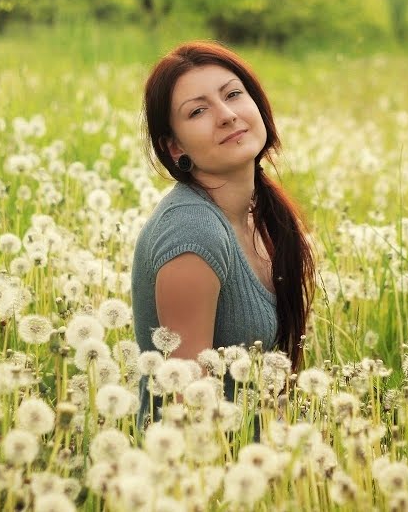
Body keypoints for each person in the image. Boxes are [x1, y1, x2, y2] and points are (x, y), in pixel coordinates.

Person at [131, 40, 316, 428]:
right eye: (198, 110)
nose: (228, 115)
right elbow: (187, 405)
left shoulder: (263, 216)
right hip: (201, 471)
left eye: (233, 94)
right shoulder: (192, 232)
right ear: (174, 146)